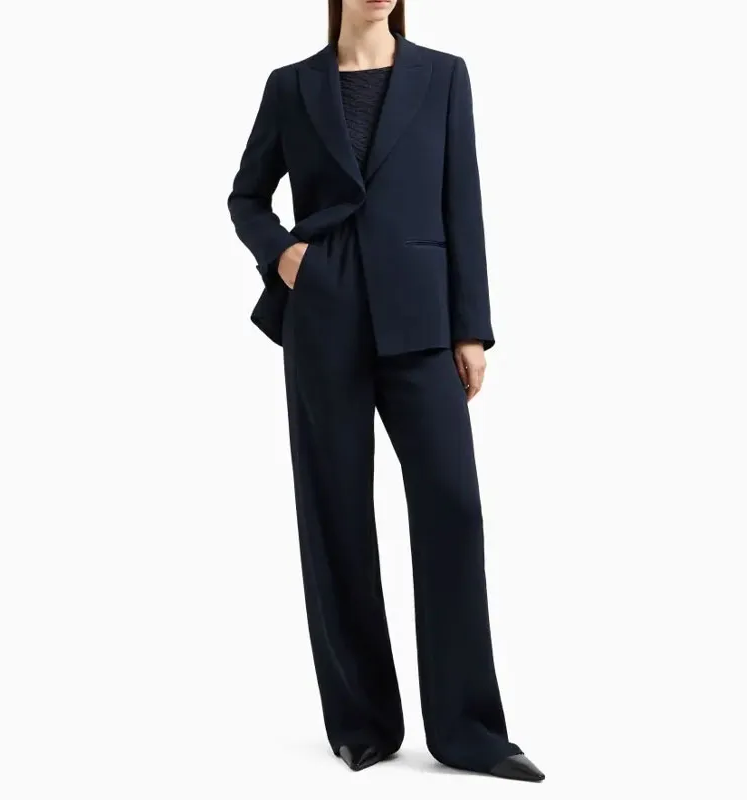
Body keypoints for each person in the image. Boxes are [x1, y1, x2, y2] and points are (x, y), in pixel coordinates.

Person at [227, 0, 544, 783]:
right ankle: (362, 724)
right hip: (324, 313)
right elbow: (246, 196)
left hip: (422, 321)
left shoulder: (444, 76)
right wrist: (283, 256)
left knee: (452, 507)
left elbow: (462, 201)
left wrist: (470, 328)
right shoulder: (291, 85)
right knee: (335, 511)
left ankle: (469, 730)